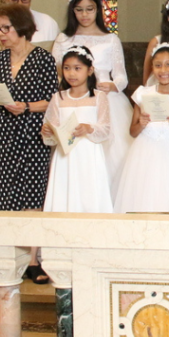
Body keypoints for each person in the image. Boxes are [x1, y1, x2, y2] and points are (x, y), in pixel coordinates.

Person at [0, 4, 58, 282]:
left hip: (32, 136)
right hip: (0, 137)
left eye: (6, 28)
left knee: (33, 197)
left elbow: (52, 101)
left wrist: (25, 106)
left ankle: (34, 259)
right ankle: (12, 256)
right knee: (4, 197)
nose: (1, 34)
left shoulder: (42, 60)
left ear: (21, 28)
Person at [52, 0, 133, 196]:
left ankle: (107, 200)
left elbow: (122, 76)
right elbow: (56, 74)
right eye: (79, 10)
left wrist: (112, 85)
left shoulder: (110, 39)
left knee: (112, 155)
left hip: (107, 100)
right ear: (72, 11)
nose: (85, 15)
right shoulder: (63, 39)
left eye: (90, 9)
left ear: (98, 10)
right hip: (74, 101)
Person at [116, 43, 169, 213]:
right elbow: (132, 131)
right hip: (146, 152)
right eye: (158, 65)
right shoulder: (143, 93)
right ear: (152, 67)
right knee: (145, 193)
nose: (163, 70)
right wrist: (142, 124)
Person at [41, 45, 113, 213]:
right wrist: (48, 131)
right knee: (65, 191)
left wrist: (89, 128)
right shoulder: (58, 98)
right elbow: (51, 127)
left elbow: (106, 128)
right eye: (67, 68)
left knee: (88, 192)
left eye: (77, 68)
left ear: (90, 70)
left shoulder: (98, 97)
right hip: (65, 154)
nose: (71, 73)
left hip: (89, 153)